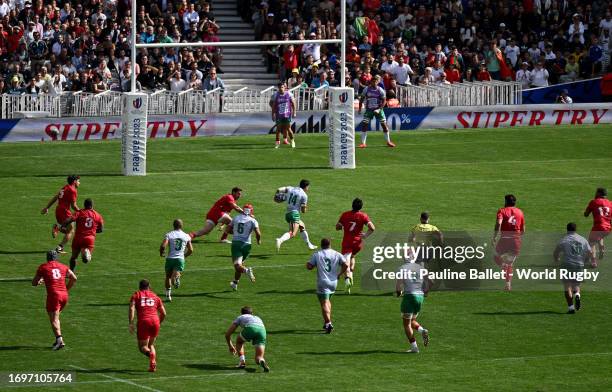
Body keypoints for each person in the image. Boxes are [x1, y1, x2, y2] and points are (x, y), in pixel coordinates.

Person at [32, 250, 77, 351]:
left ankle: (60, 340)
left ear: (47, 258)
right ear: (56, 258)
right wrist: (66, 289)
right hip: (64, 295)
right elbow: (74, 278)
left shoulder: (43, 267)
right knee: (56, 318)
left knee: (54, 319)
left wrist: (39, 281)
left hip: (54, 296)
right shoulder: (63, 266)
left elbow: (34, 283)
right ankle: (58, 340)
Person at [306, 238, 348, 333]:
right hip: (334, 282)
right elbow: (345, 264)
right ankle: (326, 323)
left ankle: (328, 322)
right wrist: (340, 274)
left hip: (322, 282)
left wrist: (308, 265)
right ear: (330, 245)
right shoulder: (337, 254)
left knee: (324, 303)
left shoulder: (318, 254)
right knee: (328, 301)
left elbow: (309, 266)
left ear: (321, 245)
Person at [336, 198, 375, 294]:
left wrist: (341, 226)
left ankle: (347, 280)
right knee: (352, 256)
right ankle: (351, 274)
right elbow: (372, 228)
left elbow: (337, 227)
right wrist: (365, 235)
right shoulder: (363, 216)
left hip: (347, 243)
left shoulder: (345, 215)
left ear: (352, 205)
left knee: (345, 263)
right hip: (358, 244)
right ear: (361, 207)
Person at [553, 223, 593, 313]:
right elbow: (590, 253)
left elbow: (556, 252)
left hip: (567, 264)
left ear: (567, 229)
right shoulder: (583, 239)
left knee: (567, 286)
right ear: (576, 229)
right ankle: (577, 295)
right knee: (576, 285)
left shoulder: (564, 240)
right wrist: (587, 260)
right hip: (579, 265)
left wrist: (557, 260)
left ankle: (571, 308)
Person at [129, 279, 166, 372]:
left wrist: (131, 322)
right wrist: (158, 322)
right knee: (151, 344)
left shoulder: (136, 295)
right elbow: (164, 313)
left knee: (142, 347)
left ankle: (150, 355)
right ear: (149, 286)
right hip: (155, 321)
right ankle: (152, 365)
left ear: (139, 287)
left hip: (144, 322)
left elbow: (132, 308)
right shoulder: (155, 296)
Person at [395, 258, 430, 353]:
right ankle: (422, 330)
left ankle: (414, 347)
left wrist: (398, 293)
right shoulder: (420, 267)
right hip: (420, 297)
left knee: (406, 324)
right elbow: (430, 281)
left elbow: (399, 285)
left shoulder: (402, 268)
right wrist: (426, 291)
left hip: (409, 297)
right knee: (412, 320)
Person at [492, 194, 525, 291]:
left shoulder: (502, 211)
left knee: (495, 255)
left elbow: (499, 223)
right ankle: (508, 284)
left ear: (506, 202)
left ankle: (503, 265)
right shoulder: (520, 212)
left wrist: (494, 236)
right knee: (510, 263)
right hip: (516, 240)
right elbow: (523, 230)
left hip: (504, 239)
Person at [41, 175, 80, 254]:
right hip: (64, 212)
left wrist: (47, 207)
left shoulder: (65, 187)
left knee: (69, 230)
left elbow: (56, 197)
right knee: (71, 231)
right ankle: (60, 247)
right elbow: (73, 206)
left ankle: (58, 228)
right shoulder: (73, 190)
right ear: (74, 181)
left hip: (58, 210)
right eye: (78, 181)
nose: (79, 183)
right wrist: (82, 211)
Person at [275, 180, 317, 251]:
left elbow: (279, 189)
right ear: (306, 187)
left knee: (302, 226)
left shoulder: (291, 188)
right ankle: (280, 240)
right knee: (292, 233)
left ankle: (309, 244)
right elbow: (303, 211)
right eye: (308, 187)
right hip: (294, 214)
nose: (308, 189)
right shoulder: (304, 195)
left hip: (288, 214)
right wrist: (305, 208)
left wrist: (276, 195)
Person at [63, 198, 104, 271]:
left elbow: (70, 219)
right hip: (90, 239)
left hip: (78, 238)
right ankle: (85, 254)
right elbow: (101, 230)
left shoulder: (80, 212)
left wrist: (63, 226)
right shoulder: (98, 215)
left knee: (73, 257)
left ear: (84, 205)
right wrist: (93, 230)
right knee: (85, 261)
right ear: (92, 205)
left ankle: (71, 272)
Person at [224, 306, 270, 372]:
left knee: (239, 342)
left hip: (251, 328)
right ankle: (261, 360)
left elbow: (227, 334)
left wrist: (230, 346)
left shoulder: (241, 317)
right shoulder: (257, 317)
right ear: (252, 313)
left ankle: (242, 361)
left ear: (241, 313)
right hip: (262, 331)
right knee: (258, 357)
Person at [227, 204, 261, 291]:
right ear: (251, 211)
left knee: (237, 265)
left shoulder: (236, 218)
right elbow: (258, 233)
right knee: (240, 264)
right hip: (247, 245)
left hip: (237, 244)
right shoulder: (253, 220)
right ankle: (235, 282)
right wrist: (258, 241)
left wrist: (235, 233)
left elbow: (227, 230)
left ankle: (247, 271)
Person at [159, 219, 193, 302]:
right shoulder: (186, 236)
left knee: (168, 277)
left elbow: (163, 246)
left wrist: (161, 252)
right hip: (180, 259)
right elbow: (191, 250)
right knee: (176, 272)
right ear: (181, 226)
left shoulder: (169, 235)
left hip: (170, 258)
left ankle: (168, 295)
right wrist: (184, 256)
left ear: (173, 225)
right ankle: (177, 277)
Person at [358, 76, 395, 148]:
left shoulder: (380, 90)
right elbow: (362, 98)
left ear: (378, 82)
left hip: (378, 109)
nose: (374, 82)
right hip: (369, 110)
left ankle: (388, 142)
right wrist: (359, 108)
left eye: (376, 81)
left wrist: (379, 109)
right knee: (364, 125)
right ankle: (363, 143)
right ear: (371, 82)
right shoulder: (366, 89)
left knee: (384, 125)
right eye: (373, 81)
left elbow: (384, 101)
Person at [584, 187, 612, 265]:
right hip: (608, 228)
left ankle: (593, 261)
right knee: (600, 234)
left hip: (598, 227)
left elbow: (586, 214)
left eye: (596, 192)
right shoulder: (610, 203)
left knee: (591, 243)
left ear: (599, 193)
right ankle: (601, 246)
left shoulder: (593, 202)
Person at [270, 82, 296, 148]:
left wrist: (294, 112)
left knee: (289, 129)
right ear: (278, 88)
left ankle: (293, 141)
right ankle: (277, 143)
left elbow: (293, 103)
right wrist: (273, 114)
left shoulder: (289, 94)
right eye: (280, 87)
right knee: (278, 129)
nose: (281, 89)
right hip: (279, 115)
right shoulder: (276, 95)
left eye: (282, 87)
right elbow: (273, 105)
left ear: (284, 87)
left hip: (287, 114)